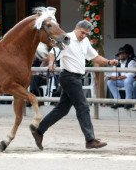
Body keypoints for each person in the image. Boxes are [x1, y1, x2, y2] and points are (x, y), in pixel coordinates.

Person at [29, 19, 118, 150]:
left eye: (86, 34)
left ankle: (39, 131)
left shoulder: (85, 41)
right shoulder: (66, 38)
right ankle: (90, 139)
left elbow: (94, 57)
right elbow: (53, 52)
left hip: (75, 78)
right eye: (82, 33)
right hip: (69, 77)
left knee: (62, 109)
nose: (84, 36)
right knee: (83, 107)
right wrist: (51, 63)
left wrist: (109, 62)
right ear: (76, 28)